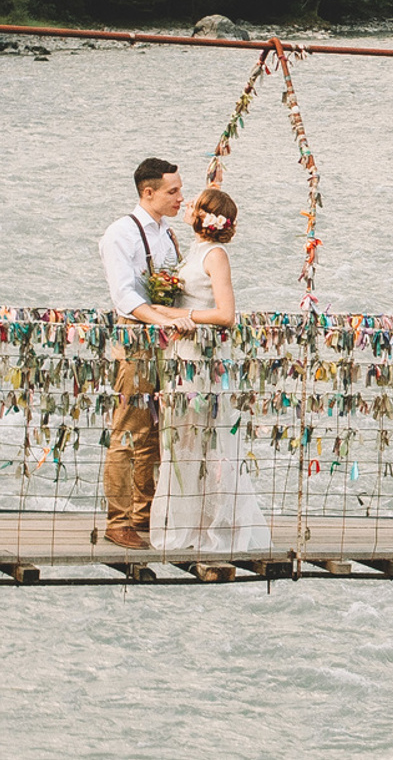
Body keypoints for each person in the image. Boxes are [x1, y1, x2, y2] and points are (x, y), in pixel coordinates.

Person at [150, 188, 272, 553]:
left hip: (201, 362)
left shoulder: (216, 255)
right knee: (182, 440)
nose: (187, 204)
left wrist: (178, 314)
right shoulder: (194, 250)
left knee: (202, 440)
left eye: (195, 203)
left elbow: (225, 314)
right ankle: (190, 521)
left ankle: (211, 525)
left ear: (206, 216)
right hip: (181, 356)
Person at [99, 156, 193, 550]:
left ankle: (144, 512)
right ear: (149, 192)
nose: (181, 198)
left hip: (165, 339)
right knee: (127, 429)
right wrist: (163, 321)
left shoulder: (168, 233)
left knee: (155, 428)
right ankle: (118, 520)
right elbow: (124, 295)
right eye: (174, 191)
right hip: (136, 338)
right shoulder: (120, 233)